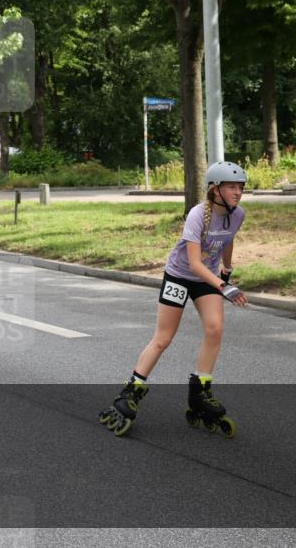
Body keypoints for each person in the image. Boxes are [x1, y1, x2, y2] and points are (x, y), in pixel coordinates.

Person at [99, 161, 249, 438]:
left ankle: (200, 392)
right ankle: (130, 391)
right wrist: (222, 285)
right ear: (215, 189)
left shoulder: (237, 214)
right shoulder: (196, 215)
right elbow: (193, 263)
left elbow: (228, 239)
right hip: (180, 276)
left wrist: (227, 269)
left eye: (240, 187)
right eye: (232, 187)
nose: (238, 192)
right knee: (164, 338)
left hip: (207, 279)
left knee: (215, 329)